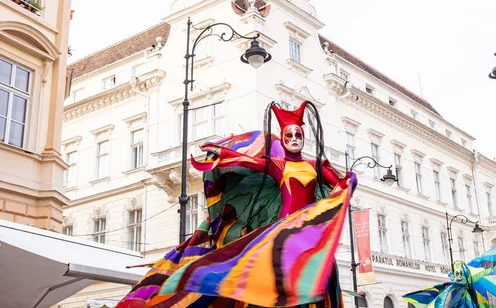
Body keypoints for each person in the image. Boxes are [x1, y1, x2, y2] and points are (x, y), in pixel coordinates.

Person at [117, 101, 356, 308]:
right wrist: (218, 155)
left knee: (315, 281)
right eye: (289, 136)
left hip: (310, 235)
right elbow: (248, 161)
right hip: (281, 233)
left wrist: (350, 181)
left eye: (298, 135)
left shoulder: (316, 166)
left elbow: (341, 186)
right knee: (269, 282)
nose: (294, 140)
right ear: (283, 139)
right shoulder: (277, 165)